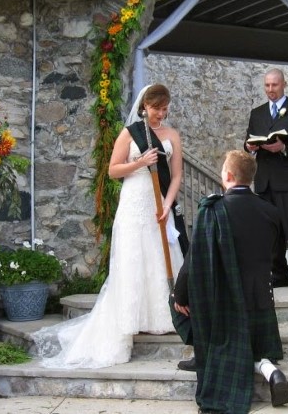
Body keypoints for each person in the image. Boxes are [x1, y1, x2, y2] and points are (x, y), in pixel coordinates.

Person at [32, 84, 185, 368]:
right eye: (156, 109)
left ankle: (162, 318)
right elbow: (113, 170)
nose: (160, 115)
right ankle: (131, 318)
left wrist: (168, 203)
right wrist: (140, 162)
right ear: (144, 107)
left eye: (165, 109)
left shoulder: (172, 135)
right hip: (134, 201)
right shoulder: (130, 133)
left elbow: (176, 175)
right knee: (133, 257)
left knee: (158, 256)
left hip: (159, 203)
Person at [173, 150, 288, 413]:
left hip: (222, 305)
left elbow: (194, 260)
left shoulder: (213, 210)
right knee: (250, 341)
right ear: (250, 178)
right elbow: (275, 255)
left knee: (177, 304)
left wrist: (180, 296)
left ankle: (205, 353)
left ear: (227, 175)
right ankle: (268, 369)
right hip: (260, 302)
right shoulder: (271, 211)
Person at [245, 68, 288, 290]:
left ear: (284, 84)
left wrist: (284, 147)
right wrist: (249, 147)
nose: (270, 90)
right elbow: (247, 139)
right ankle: (279, 274)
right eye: (267, 85)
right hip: (264, 179)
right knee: (270, 229)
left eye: (274, 85)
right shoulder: (257, 113)